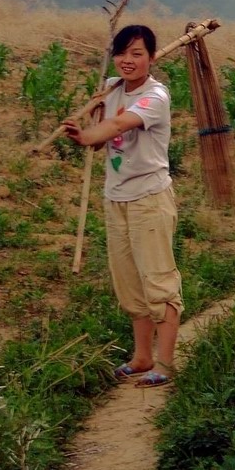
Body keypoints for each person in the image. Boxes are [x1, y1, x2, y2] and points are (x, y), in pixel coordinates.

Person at [62, 24, 183, 387]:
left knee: (158, 282)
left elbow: (118, 125)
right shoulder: (113, 89)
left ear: (151, 57)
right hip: (116, 198)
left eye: (137, 54)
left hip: (149, 199)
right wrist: (89, 126)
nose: (128, 61)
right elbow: (103, 140)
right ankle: (142, 356)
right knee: (129, 284)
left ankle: (165, 362)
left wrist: (85, 135)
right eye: (122, 53)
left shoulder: (155, 97)